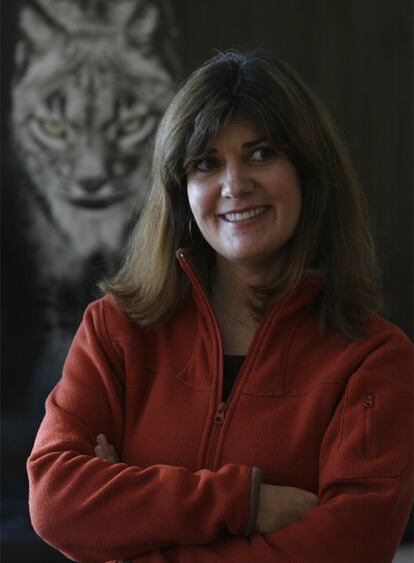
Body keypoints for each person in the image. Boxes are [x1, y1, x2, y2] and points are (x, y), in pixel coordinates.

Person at [27, 50, 413, 563]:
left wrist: (129, 534)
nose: (235, 185)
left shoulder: (378, 360)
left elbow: (350, 546)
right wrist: (246, 504)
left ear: (308, 172)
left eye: (261, 154)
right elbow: (56, 502)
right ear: (180, 190)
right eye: (207, 163)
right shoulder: (114, 330)